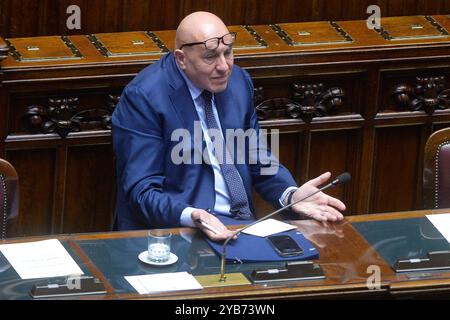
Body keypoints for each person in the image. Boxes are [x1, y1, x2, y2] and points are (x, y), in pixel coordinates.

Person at [111, 11, 346, 242]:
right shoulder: (145, 97)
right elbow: (142, 193)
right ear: (181, 59)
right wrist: (191, 215)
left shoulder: (238, 82)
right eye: (211, 57)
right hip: (181, 233)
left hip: (242, 227)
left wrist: (290, 195)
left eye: (228, 52)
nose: (224, 66)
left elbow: (258, 158)